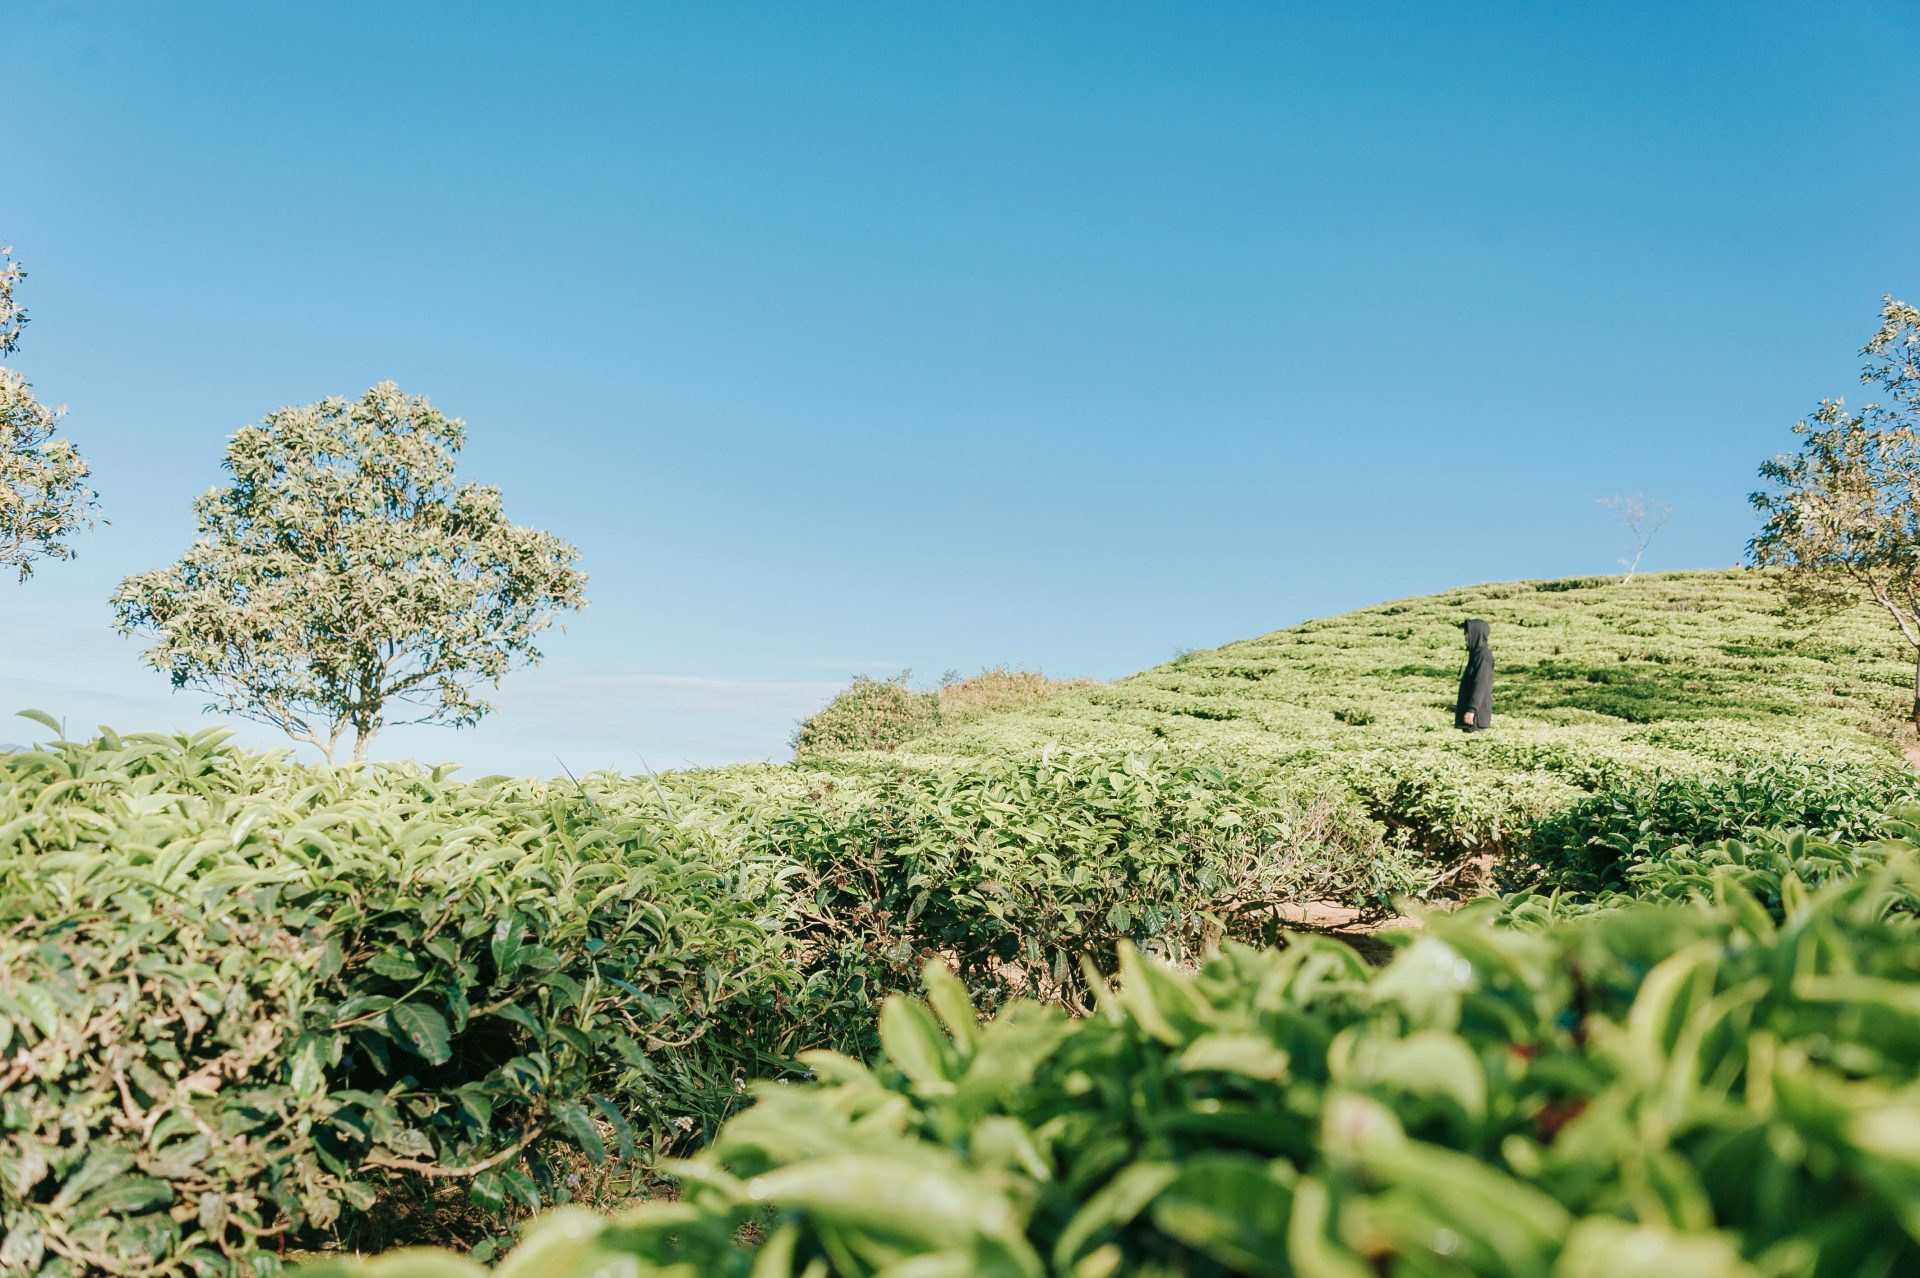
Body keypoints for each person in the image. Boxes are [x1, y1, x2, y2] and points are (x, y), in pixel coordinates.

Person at [1455, 618, 1493, 732]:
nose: (1466, 637)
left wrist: (1471, 710)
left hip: (1476, 718)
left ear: (1477, 634)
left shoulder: (1483, 655)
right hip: (1472, 717)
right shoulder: (1475, 655)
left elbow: (1480, 684)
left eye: (1468, 633)